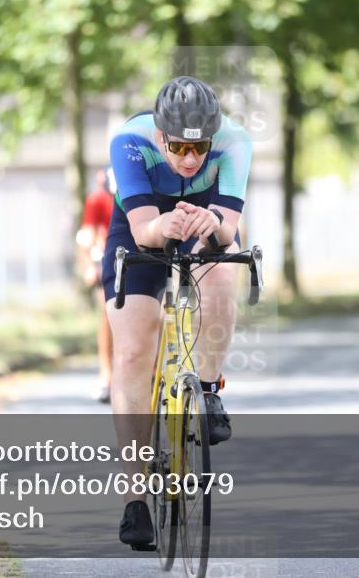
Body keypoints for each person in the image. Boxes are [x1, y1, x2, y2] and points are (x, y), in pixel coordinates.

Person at [101, 76, 252, 548]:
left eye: (199, 147)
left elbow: (229, 231)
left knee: (224, 274)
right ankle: (134, 501)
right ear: (160, 135)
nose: (189, 158)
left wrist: (217, 230)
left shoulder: (236, 143)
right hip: (142, 223)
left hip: (203, 218)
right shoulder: (129, 142)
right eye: (178, 147)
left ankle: (207, 391)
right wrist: (164, 225)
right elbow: (144, 228)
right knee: (131, 354)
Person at [76, 169, 116, 403]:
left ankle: (152, 372)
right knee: (107, 310)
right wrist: (89, 267)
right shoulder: (97, 200)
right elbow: (87, 237)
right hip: (106, 256)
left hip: (139, 253)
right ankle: (107, 376)